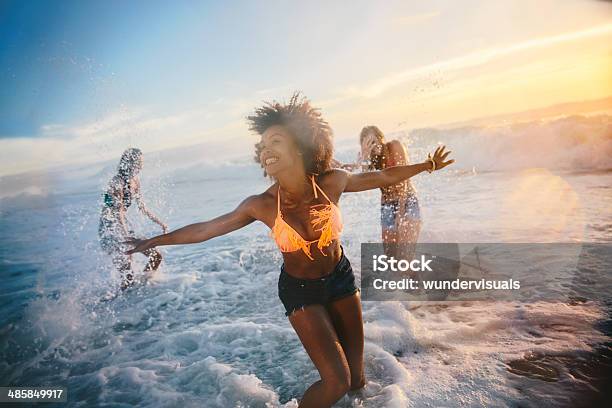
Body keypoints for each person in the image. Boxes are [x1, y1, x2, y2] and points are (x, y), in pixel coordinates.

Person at [125, 93, 453, 407]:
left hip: (340, 279)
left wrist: (426, 165)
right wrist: (154, 241)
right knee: (336, 382)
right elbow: (207, 228)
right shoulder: (262, 205)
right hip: (300, 292)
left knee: (356, 381)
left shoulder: (332, 181)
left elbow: (382, 175)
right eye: (263, 145)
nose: (266, 150)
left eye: (276, 141)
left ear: (299, 146)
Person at [336, 126, 423, 260]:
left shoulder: (394, 146)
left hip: (407, 202)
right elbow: (362, 179)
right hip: (387, 206)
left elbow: (403, 180)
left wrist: (400, 214)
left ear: (381, 138)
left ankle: (418, 280)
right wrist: (364, 156)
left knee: (406, 257)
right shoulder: (369, 157)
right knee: (391, 257)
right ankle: (401, 280)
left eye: (373, 141)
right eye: (367, 144)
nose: (372, 146)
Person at [98, 148, 168, 290]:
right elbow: (118, 214)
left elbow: (142, 207)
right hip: (109, 229)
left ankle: (143, 287)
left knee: (156, 256)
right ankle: (123, 304)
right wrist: (126, 236)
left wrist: (160, 222)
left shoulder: (135, 181)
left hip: (125, 225)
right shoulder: (115, 183)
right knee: (127, 276)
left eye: (142, 162)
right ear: (129, 162)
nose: (141, 166)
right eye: (139, 162)